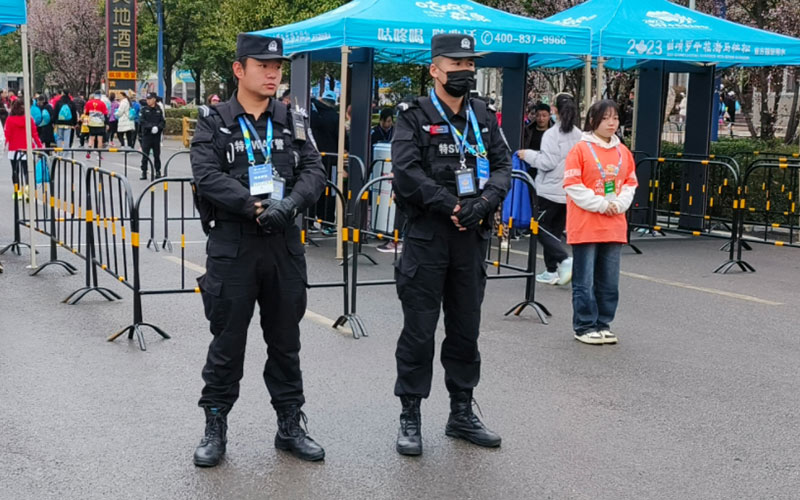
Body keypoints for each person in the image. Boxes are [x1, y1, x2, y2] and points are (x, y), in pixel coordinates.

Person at [190, 33, 327, 468]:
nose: (273, 74)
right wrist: (251, 206)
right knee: (227, 341)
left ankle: (289, 424)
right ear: (239, 69)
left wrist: (288, 206)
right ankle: (215, 425)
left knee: (286, 341)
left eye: (278, 67)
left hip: (283, 244)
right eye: (263, 66)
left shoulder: (293, 119)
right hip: (235, 245)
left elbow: (314, 171)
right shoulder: (213, 121)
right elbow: (206, 174)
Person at [390, 34, 511, 456]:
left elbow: (502, 166)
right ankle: (410, 414)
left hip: (469, 239)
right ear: (435, 69)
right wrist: (450, 205)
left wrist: (484, 203)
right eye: (456, 64)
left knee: (465, 330)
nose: (465, 71)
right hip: (428, 237)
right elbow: (406, 172)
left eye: (470, 64)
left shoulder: (482, 114)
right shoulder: (413, 115)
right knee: (419, 332)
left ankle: (461, 412)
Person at [563, 99, 638, 345]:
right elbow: (573, 186)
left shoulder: (622, 152)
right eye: (605, 118)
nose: (611, 123)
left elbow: (630, 182)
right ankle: (584, 325)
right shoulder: (580, 150)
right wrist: (602, 204)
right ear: (593, 120)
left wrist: (620, 203)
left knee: (609, 280)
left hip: (614, 224)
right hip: (586, 225)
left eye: (615, 118)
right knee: (584, 280)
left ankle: (603, 323)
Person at [518, 93, 581, 286]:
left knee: (537, 228)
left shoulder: (552, 134)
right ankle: (552, 270)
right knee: (554, 230)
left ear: (554, 110)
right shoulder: (579, 134)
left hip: (548, 191)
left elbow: (547, 162)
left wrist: (526, 154)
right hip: (568, 190)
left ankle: (563, 260)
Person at [4, 99, 43, 187]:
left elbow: (7, 135)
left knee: (15, 171)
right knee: (27, 171)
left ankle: (17, 191)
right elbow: (35, 134)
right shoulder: (29, 119)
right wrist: (40, 147)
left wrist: (4, 146)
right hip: (27, 148)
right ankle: (28, 189)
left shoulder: (9, 120)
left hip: (13, 149)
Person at [138, 92, 165, 179]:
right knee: (145, 155)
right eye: (147, 99)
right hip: (147, 135)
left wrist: (158, 127)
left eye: (150, 99)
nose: (148, 101)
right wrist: (151, 127)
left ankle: (157, 171)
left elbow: (162, 121)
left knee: (157, 155)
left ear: (154, 99)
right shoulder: (144, 109)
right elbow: (142, 121)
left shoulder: (158, 109)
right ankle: (144, 172)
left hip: (156, 136)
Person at [84, 91, 108, 158]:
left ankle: (88, 152)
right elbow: (105, 114)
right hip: (100, 123)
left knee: (91, 137)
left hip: (91, 122)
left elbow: (86, 113)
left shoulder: (89, 103)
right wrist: (107, 124)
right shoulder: (102, 103)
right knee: (100, 138)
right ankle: (99, 154)